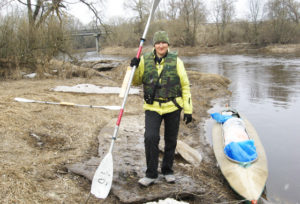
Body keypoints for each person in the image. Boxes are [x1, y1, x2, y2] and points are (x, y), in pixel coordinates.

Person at [130, 31, 193, 186]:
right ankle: (151, 174)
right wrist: (135, 67)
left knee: (171, 140)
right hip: (153, 107)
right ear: (154, 45)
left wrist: (188, 109)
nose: (161, 45)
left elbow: (185, 86)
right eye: (158, 43)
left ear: (168, 45)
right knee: (150, 138)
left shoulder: (177, 61)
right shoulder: (145, 60)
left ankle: (167, 170)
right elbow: (136, 82)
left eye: (163, 43)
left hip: (173, 106)